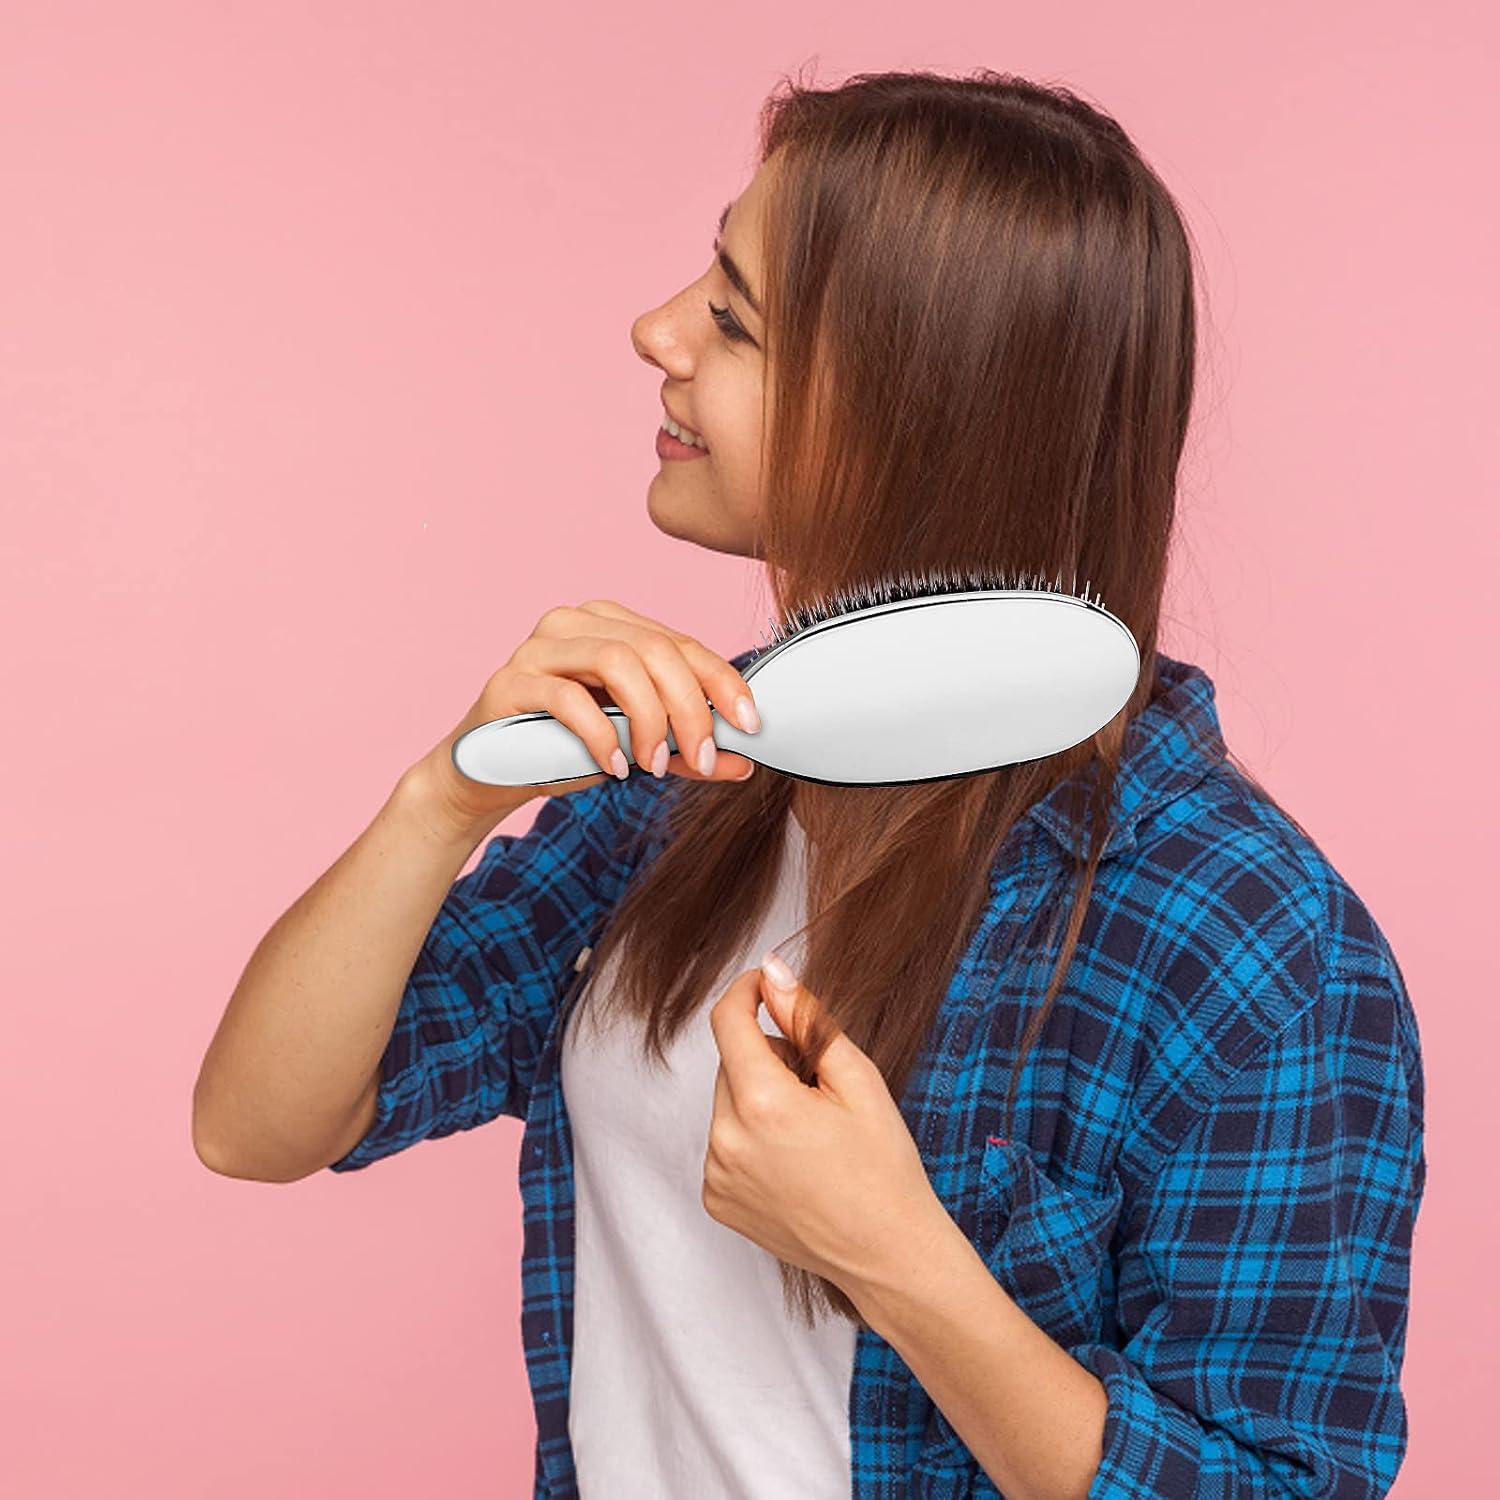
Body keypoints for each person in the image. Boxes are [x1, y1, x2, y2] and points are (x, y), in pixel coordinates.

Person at [193, 67, 1426, 1500]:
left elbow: (1285, 1481)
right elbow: (261, 1124)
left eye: (732, 321)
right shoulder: (678, 776)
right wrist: (440, 801)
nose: (654, 332)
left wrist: (900, 1264)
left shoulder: (1247, 945)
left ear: (927, 413)